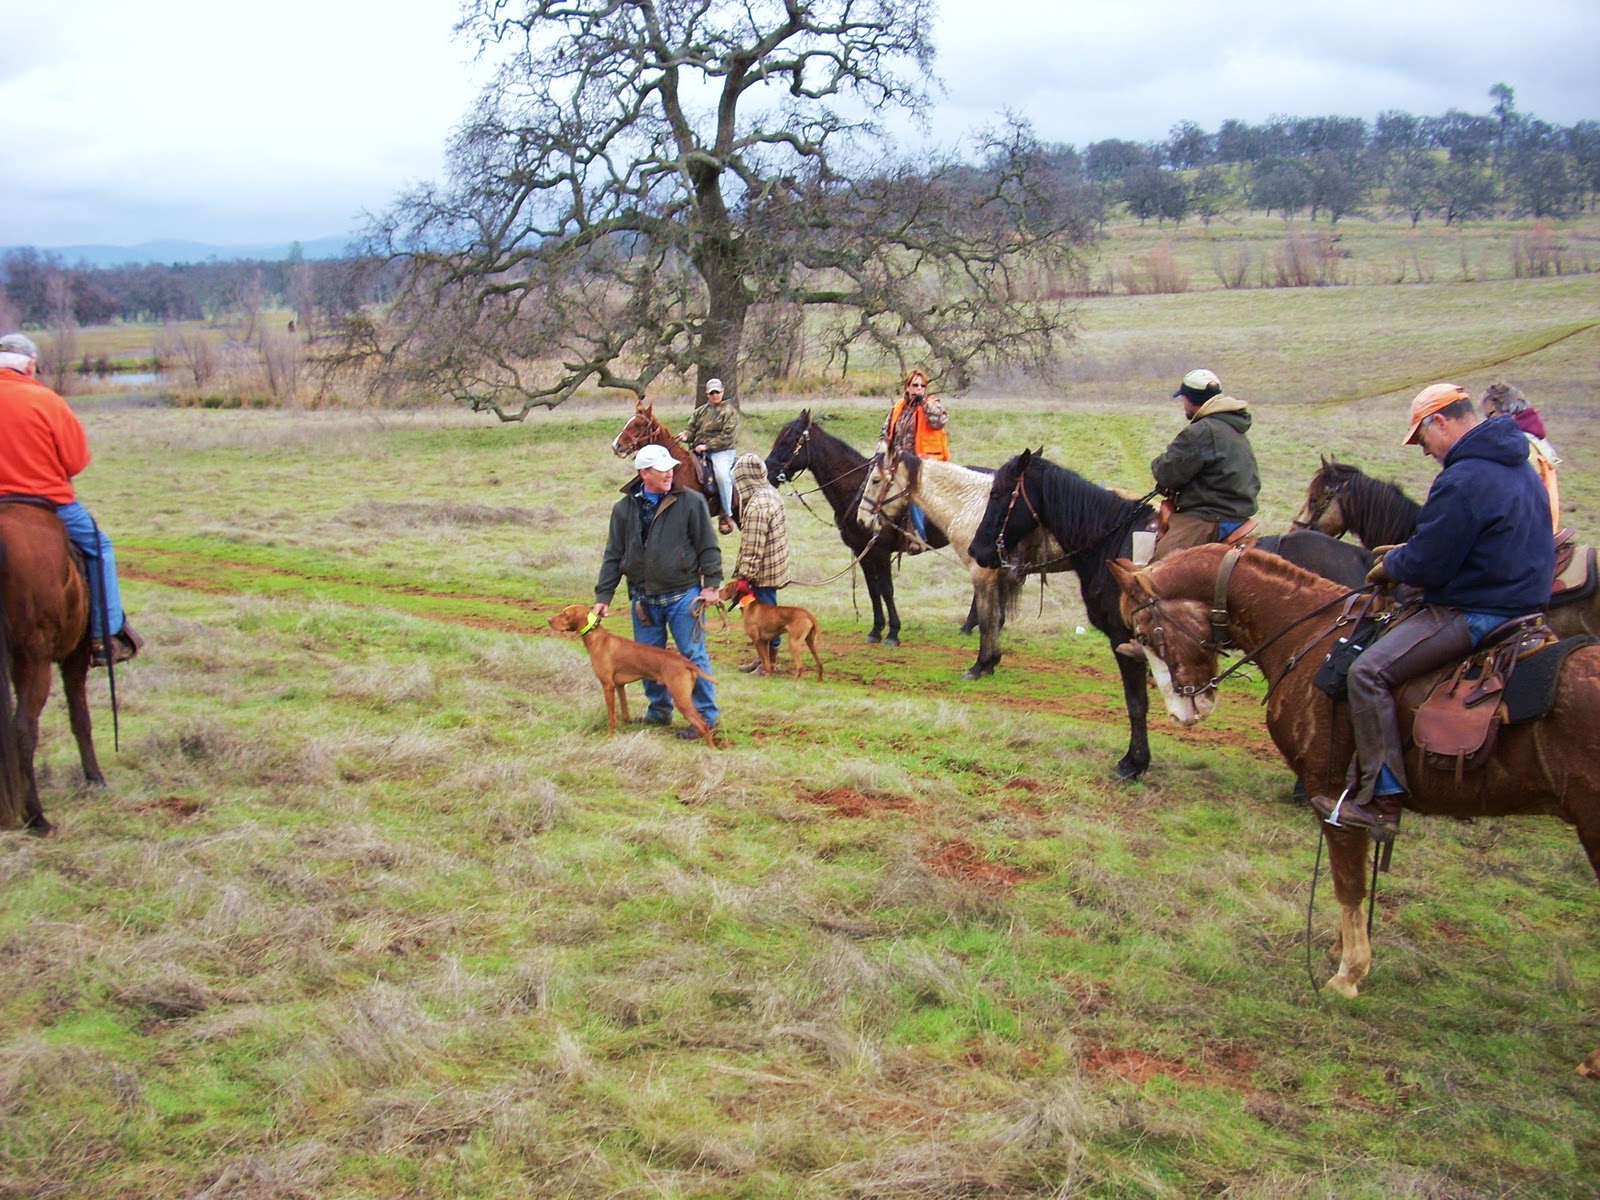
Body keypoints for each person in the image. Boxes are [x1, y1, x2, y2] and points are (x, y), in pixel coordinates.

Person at [1311, 383, 1555, 837]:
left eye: (1422, 440)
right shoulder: (1519, 465)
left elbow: (1430, 563)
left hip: (1477, 611)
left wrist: (1393, 564)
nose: (1424, 452)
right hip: (1523, 603)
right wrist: (1411, 549)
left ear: (1439, 421)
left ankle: (1380, 802)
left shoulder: (1462, 478)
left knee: (1367, 673)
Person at [0, 332, 143, 666]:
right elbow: (76, 461)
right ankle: (106, 635)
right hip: (49, 503)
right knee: (99, 546)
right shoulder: (47, 401)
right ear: (30, 366)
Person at [593, 443, 723, 738]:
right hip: (643, 599)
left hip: (683, 597)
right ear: (643, 473)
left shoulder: (691, 502)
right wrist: (604, 596)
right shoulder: (624, 509)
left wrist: (712, 584)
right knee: (646, 659)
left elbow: (708, 546)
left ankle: (705, 719)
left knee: (692, 656)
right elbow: (613, 554)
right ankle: (659, 712)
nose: (669, 474)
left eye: (670, 469)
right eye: (661, 470)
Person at [1149, 368, 1259, 561]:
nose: (1183, 404)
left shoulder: (1201, 431)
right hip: (1237, 513)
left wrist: (1158, 464)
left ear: (1190, 400)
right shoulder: (1234, 427)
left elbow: (1166, 473)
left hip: (1208, 518)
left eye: (1183, 399)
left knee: (1158, 569)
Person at [728, 453, 792, 672]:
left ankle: (768, 664)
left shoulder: (757, 507)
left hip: (762, 573)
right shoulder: (770, 493)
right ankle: (763, 659)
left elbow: (753, 547)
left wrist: (745, 576)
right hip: (774, 566)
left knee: (766, 620)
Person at [878, 367, 949, 551]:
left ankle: (919, 537)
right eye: (914, 385)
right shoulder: (898, 408)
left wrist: (924, 402)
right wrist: (883, 449)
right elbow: (886, 433)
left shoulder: (932, 405)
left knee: (912, 492)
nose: (918, 388)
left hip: (925, 464)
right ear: (906, 387)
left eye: (922, 386)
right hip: (897, 462)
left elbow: (939, 421)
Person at [1481, 381, 1561, 533]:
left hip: (1531, 531)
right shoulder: (1535, 439)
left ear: (1506, 409)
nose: (1488, 421)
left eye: (1490, 414)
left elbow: (1519, 496)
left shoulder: (1520, 444)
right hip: (1543, 527)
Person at [678, 378, 740, 535]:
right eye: (711, 393)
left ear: (722, 392)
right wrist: (685, 435)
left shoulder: (729, 411)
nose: (714, 395)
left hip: (722, 451)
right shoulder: (700, 412)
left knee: (721, 476)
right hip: (699, 451)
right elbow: (691, 429)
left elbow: (728, 437)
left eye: (717, 392)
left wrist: (707, 446)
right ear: (707, 394)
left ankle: (726, 513)